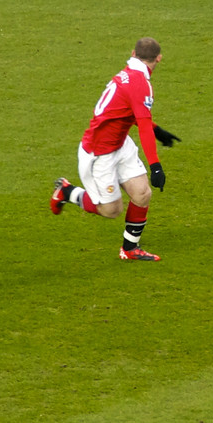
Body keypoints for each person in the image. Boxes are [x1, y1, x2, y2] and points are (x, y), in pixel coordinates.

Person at [49, 36, 177, 261]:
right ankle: (67, 192)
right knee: (111, 210)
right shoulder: (140, 83)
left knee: (142, 193)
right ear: (159, 58)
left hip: (120, 143)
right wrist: (155, 165)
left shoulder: (130, 74)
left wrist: (157, 130)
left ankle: (129, 248)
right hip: (99, 153)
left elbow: (125, 111)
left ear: (133, 53)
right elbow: (143, 126)